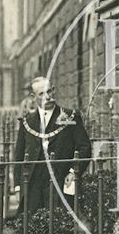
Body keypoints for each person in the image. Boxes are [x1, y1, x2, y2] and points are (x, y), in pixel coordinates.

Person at [14, 76, 91, 213]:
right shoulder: (27, 122)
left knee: (59, 226)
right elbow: (19, 155)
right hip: (33, 184)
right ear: (33, 96)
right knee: (30, 226)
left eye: (49, 92)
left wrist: (73, 172)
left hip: (60, 182)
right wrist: (17, 186)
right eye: (42, 94)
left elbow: (84, 148)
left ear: (54, 91)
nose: (47, 97)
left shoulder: (70, 117)